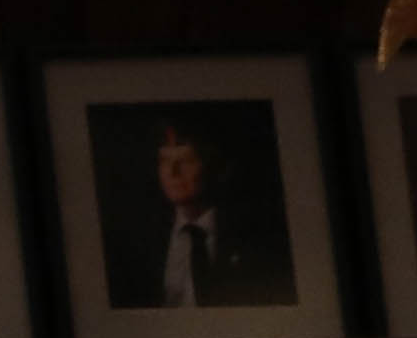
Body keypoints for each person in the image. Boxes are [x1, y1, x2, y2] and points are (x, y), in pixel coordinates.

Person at [111, 113, 290, 314]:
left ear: (217, 167)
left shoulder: (255, 236)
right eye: (164, 160)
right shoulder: (142, 238)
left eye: (187, 160)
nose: (172, 172)